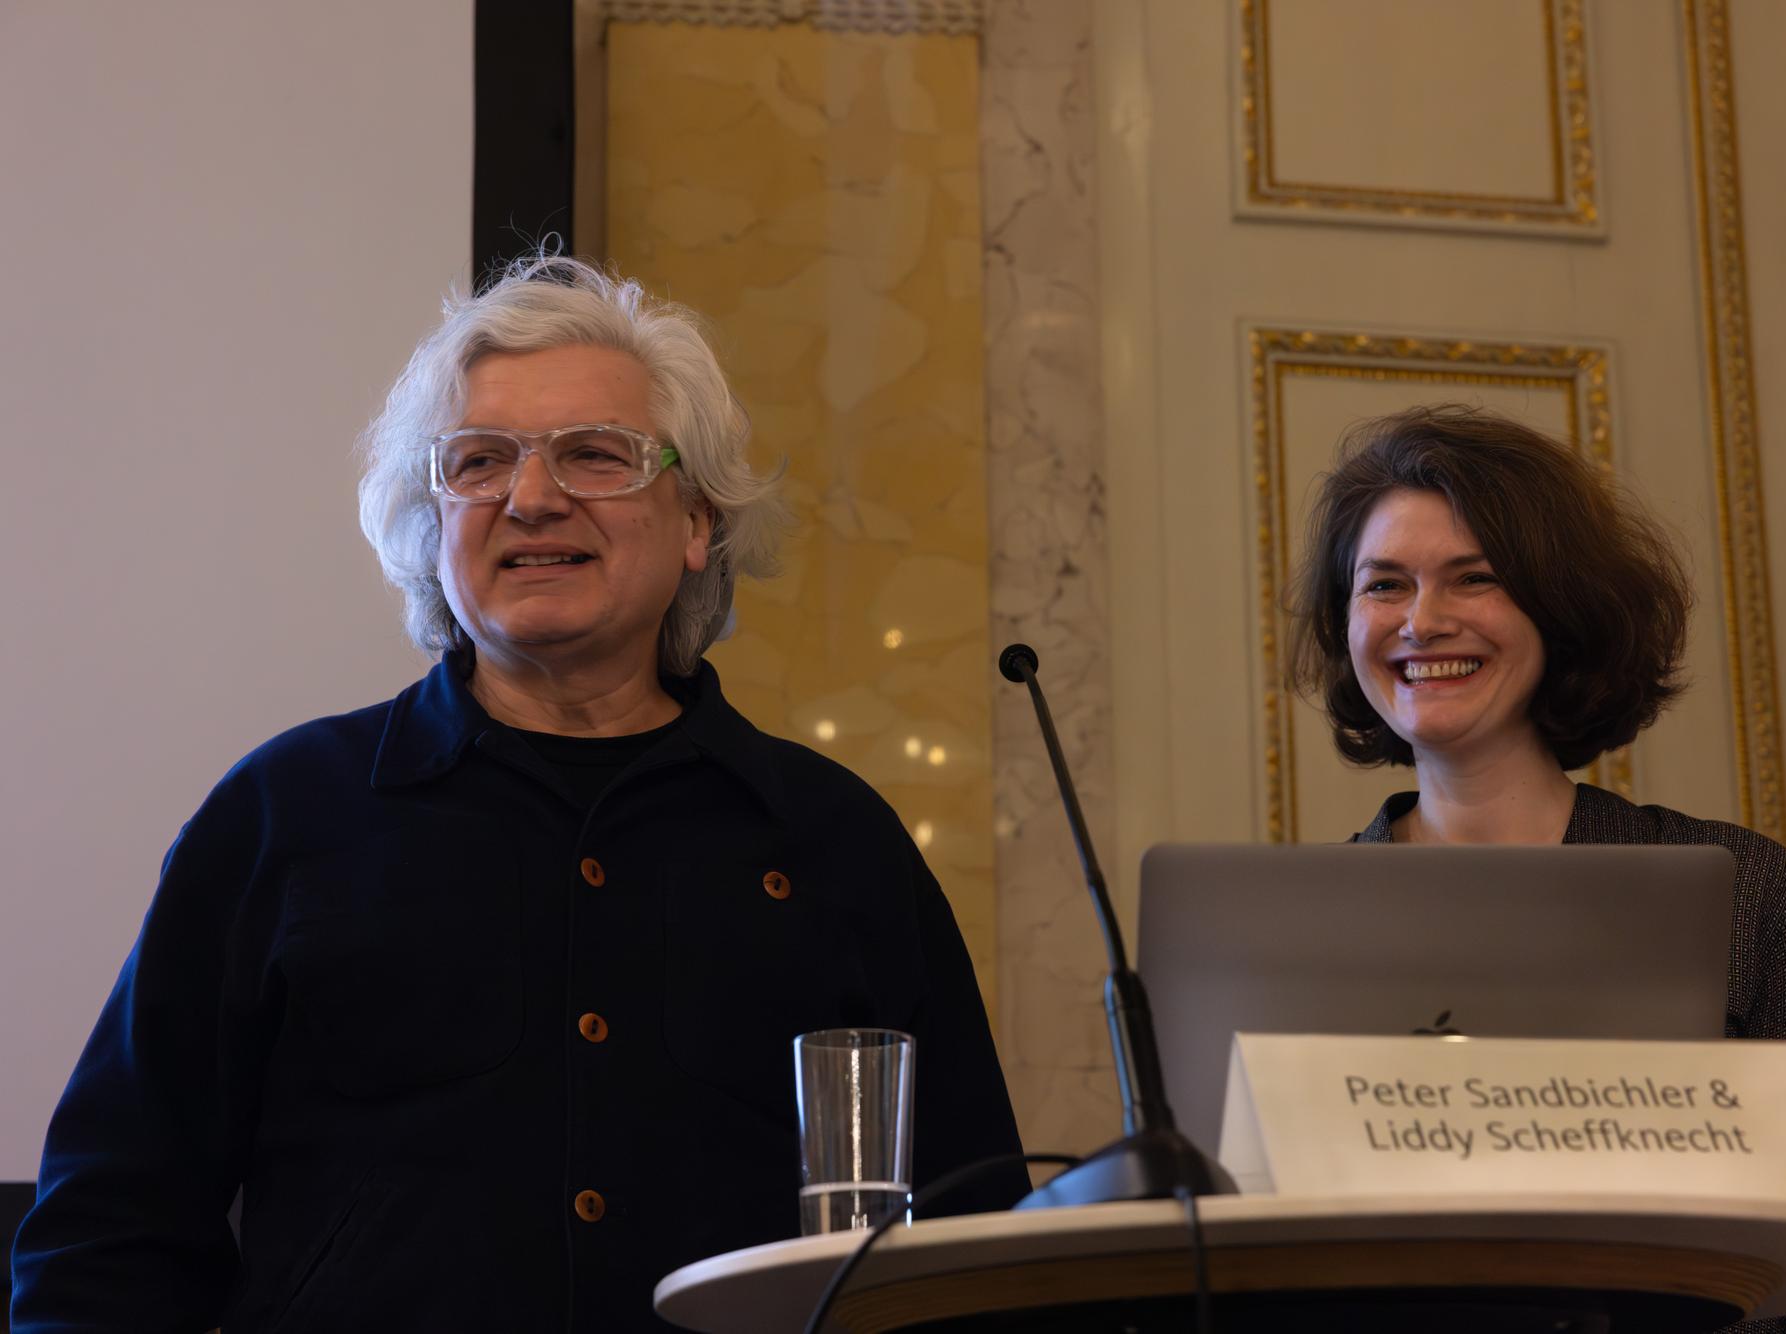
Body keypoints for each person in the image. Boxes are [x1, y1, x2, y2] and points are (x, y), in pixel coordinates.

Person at [10, 256, 1027, 1332]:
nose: (531, 499)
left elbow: (973, 1239)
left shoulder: (832, 838)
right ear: (433, 522)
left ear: (696, 521)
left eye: (595, 454)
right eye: (479, 460)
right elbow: (109, 1234)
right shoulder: (285, 816)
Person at [1287, 405, 1786, 1334]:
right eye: (1385, 585)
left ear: (1562, 609)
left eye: (1475, 578)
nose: (1422, 621)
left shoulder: (1746, 890)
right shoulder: (1295, 931)